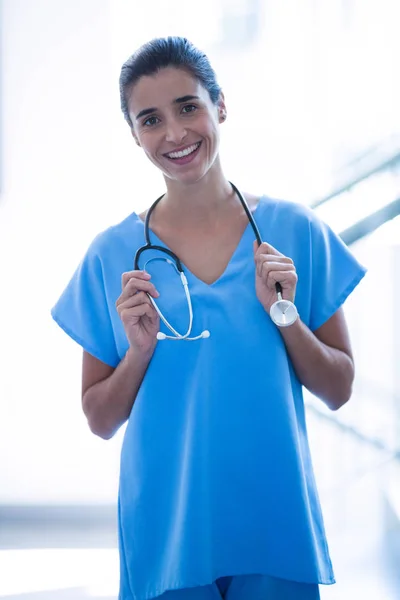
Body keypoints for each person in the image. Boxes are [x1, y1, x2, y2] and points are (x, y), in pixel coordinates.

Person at [51, 36, 367, 600]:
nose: (174, 133)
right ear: (134, 135)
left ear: (220, 105)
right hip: (168, 529)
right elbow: (99, 419)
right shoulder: (112, 254)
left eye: (188, 107)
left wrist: (286, 317)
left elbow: (339, 388)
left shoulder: (296, 233)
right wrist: (139, 351)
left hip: (273, 519)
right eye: (150, 119)